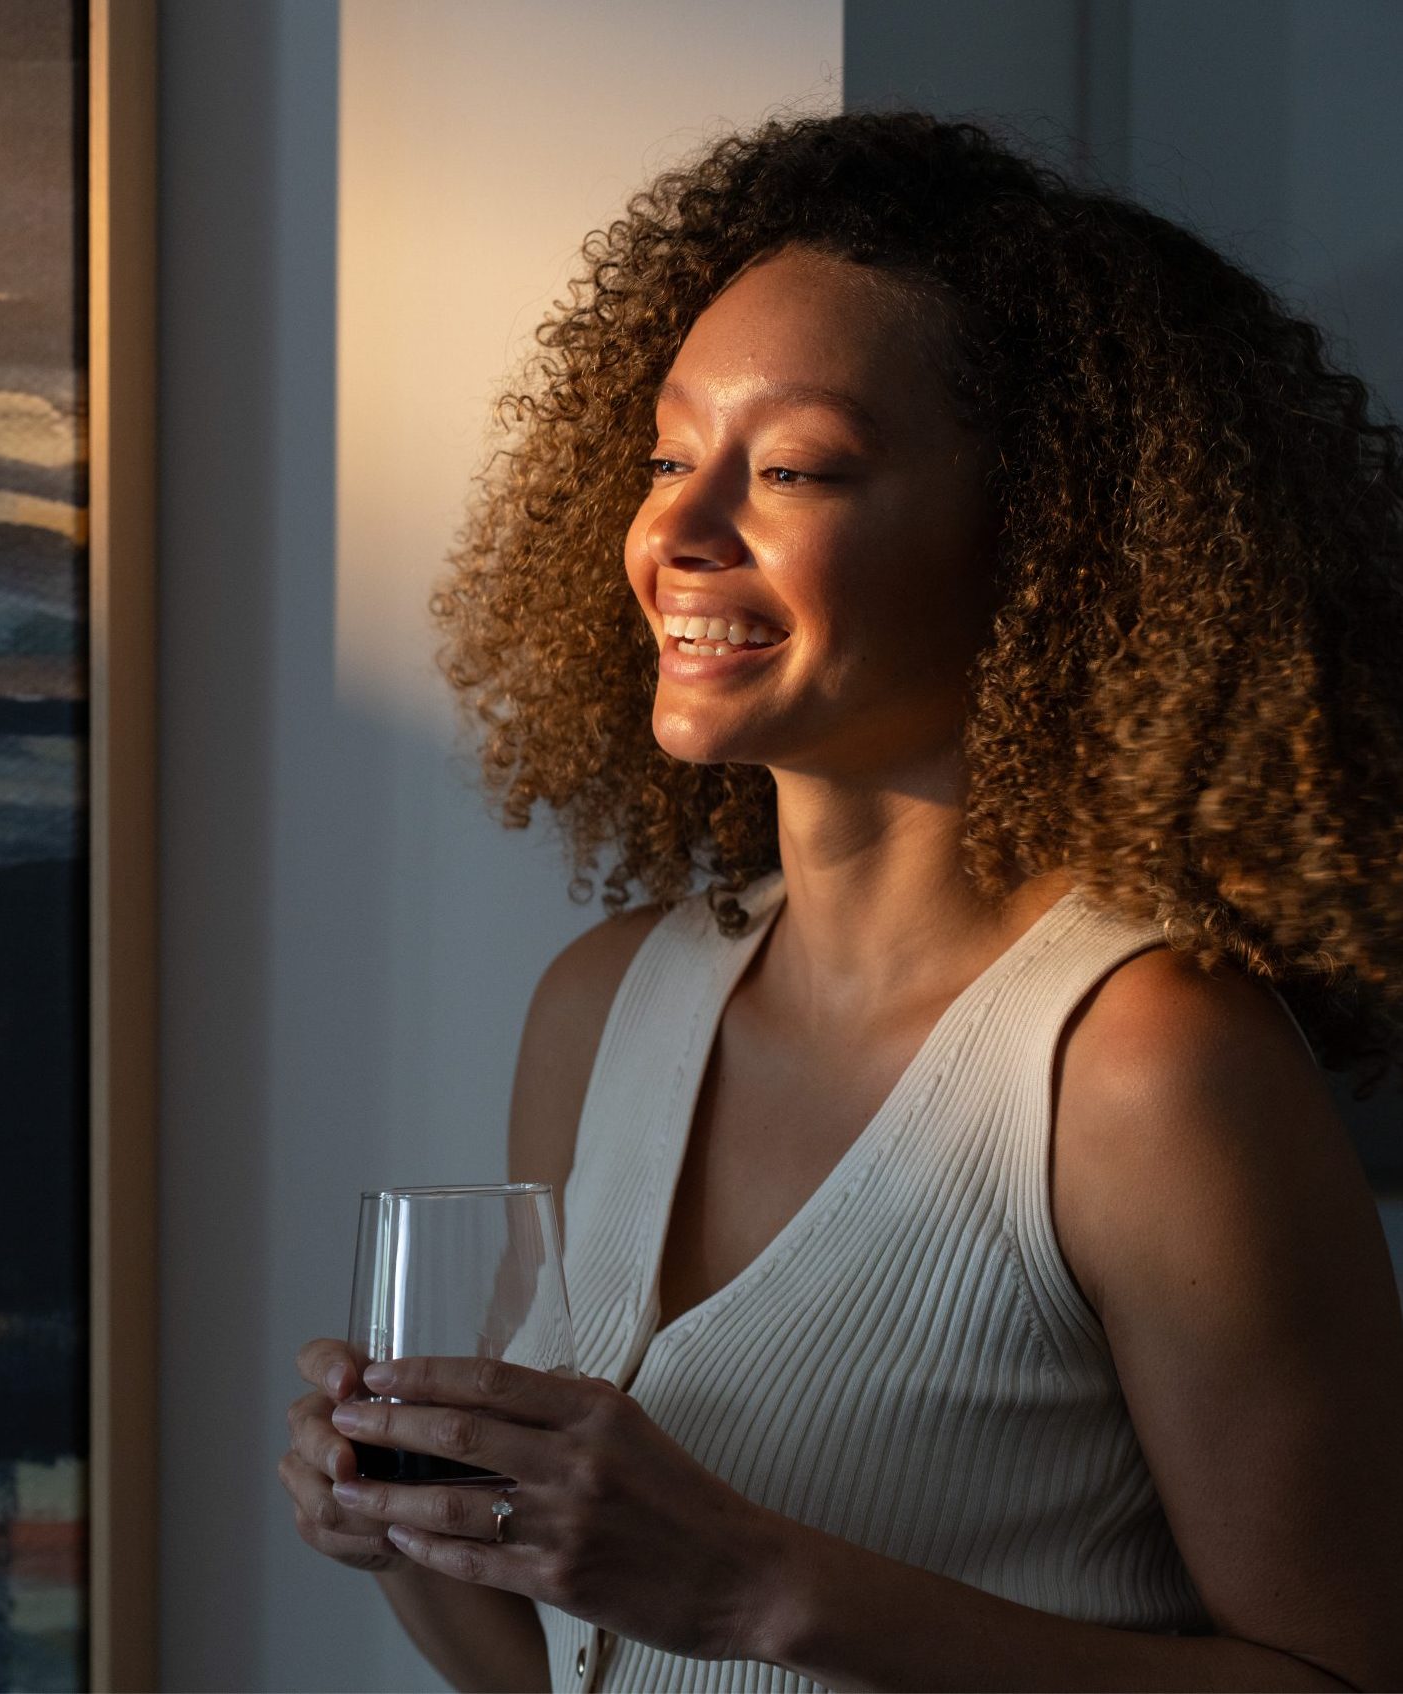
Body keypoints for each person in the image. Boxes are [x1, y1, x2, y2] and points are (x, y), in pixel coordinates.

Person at [280, 108, 1403, 1692]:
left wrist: (755, 1589)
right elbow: (566, 1666)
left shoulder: (1144, 1066)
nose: (672, 531)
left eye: (791, 467)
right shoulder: (602, 1006)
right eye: (669, 456)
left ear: (1042, 543)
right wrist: (408, 1526)